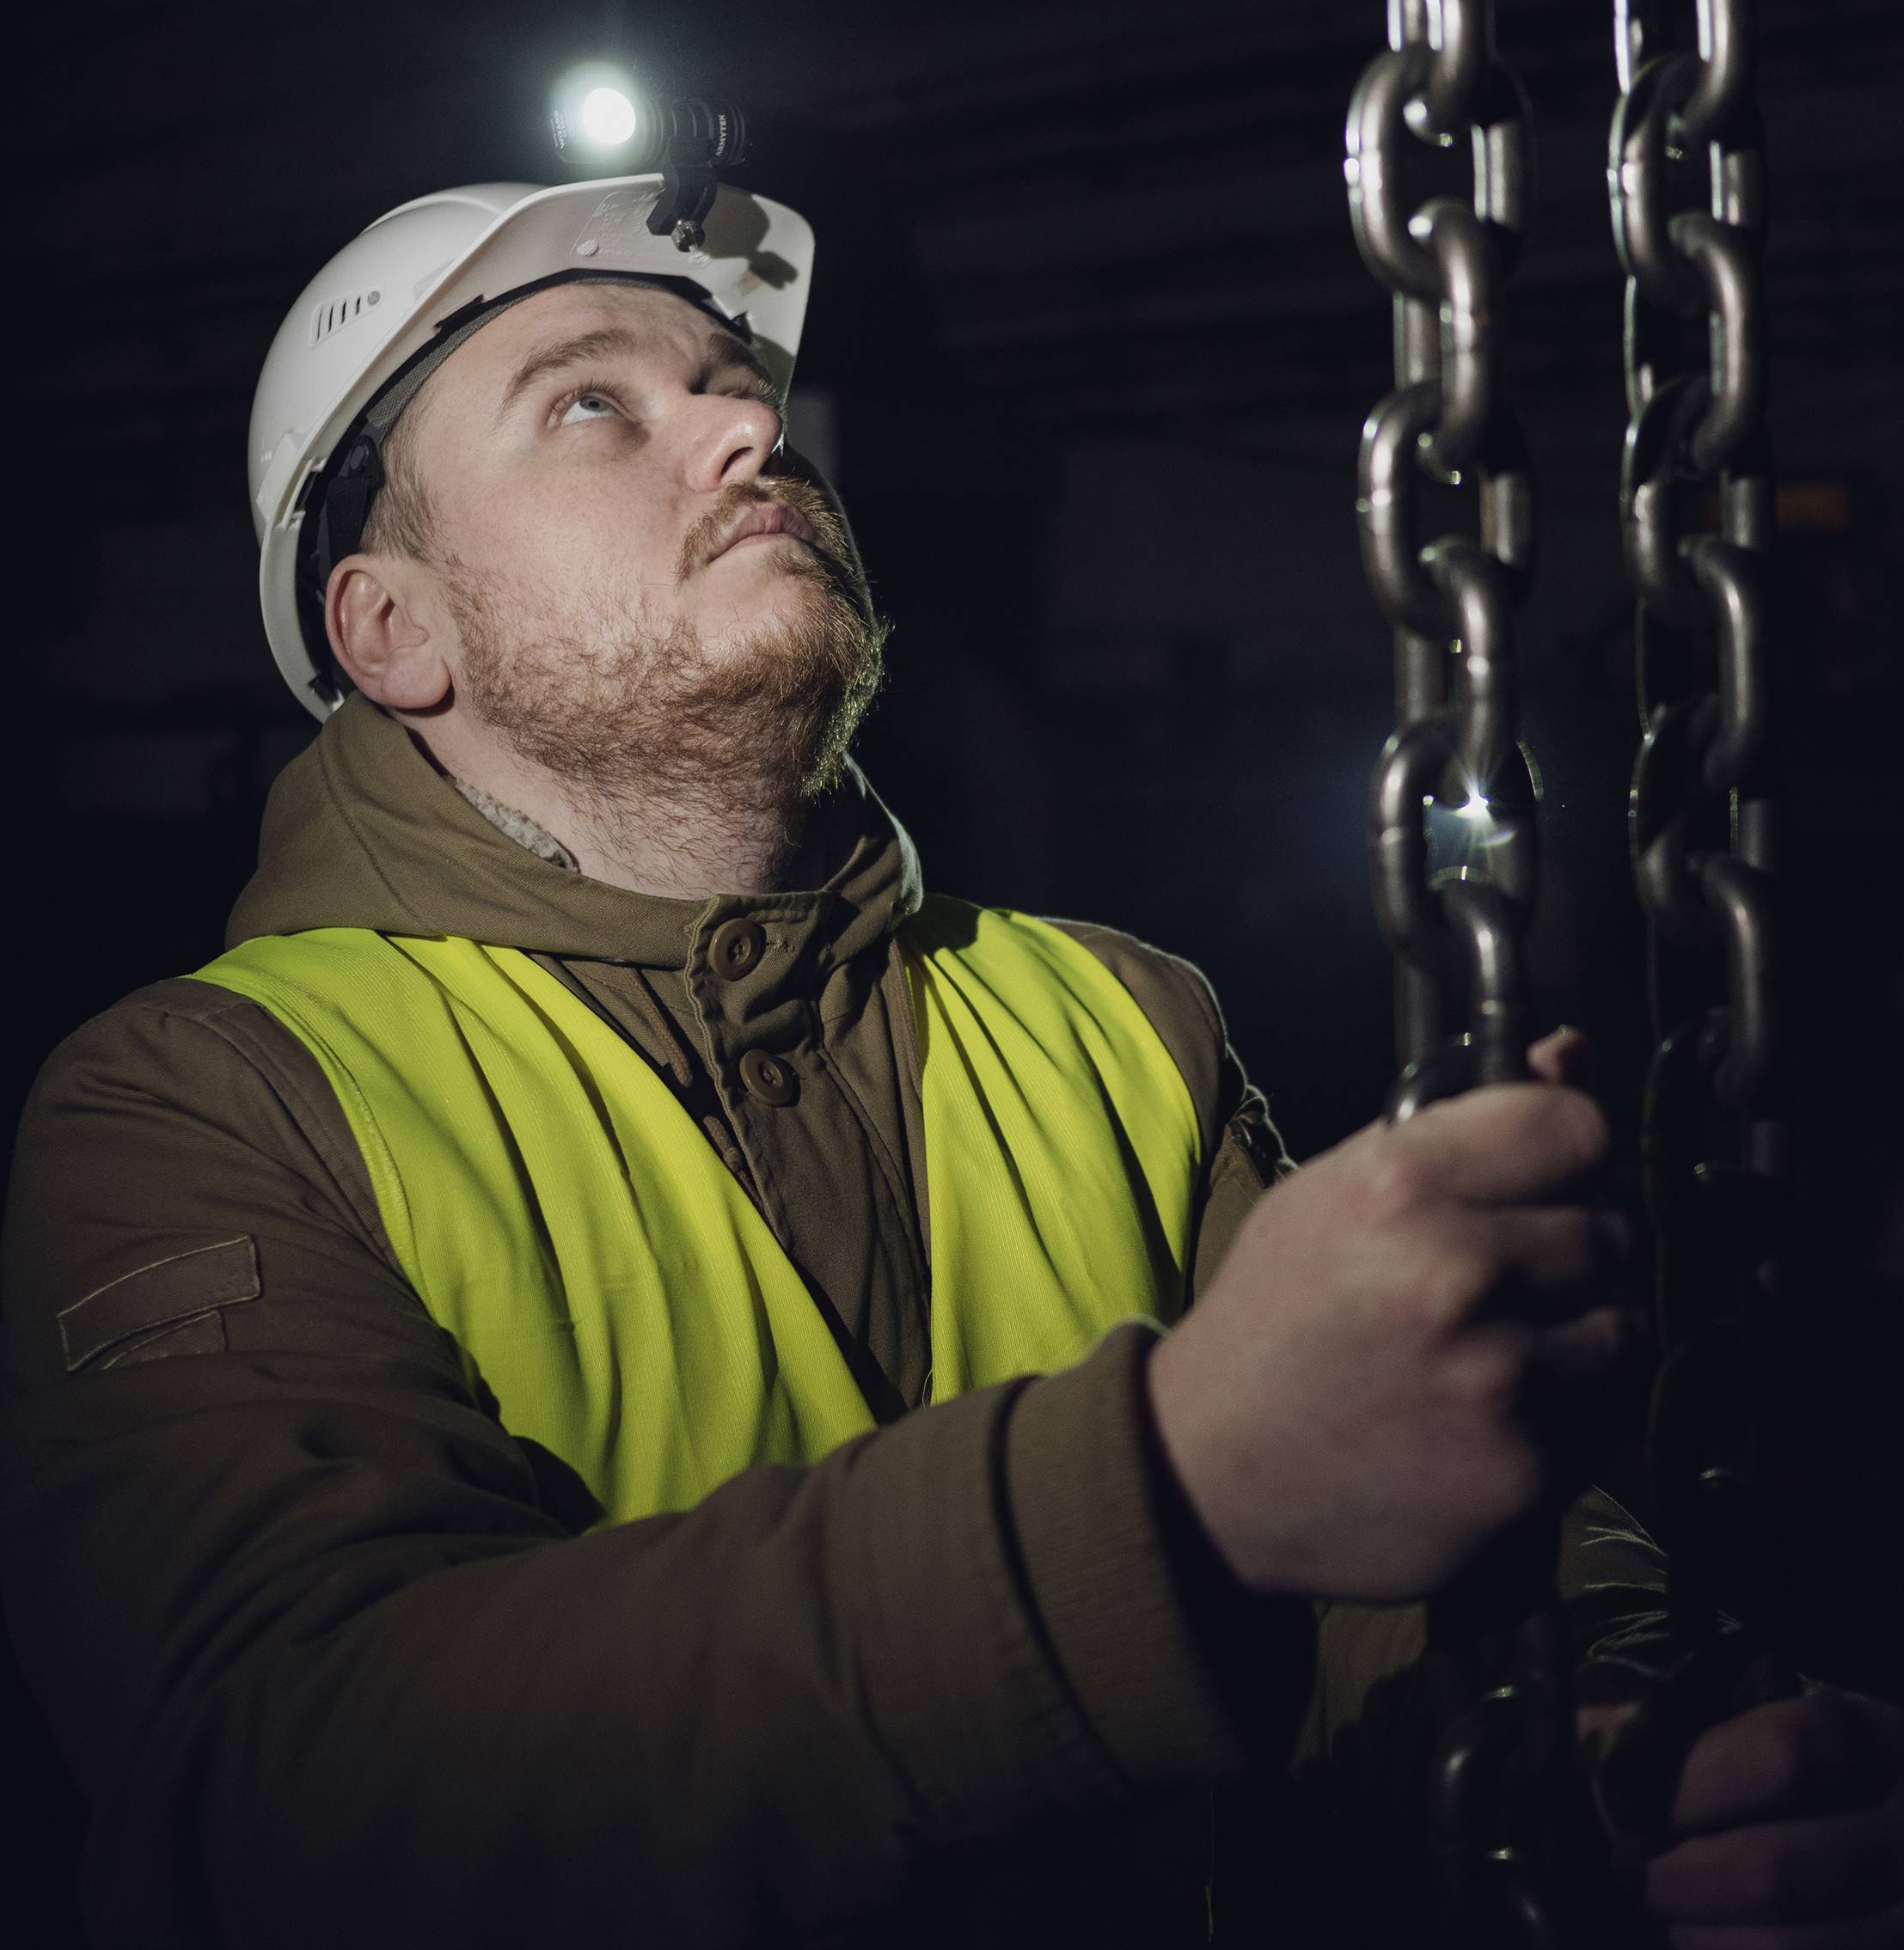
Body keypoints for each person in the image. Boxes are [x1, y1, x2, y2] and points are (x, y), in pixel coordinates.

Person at [3, 178, 1897, 1949]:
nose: (750, 433)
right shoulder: (203, 1101)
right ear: (391, 628)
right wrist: (1162, 1490)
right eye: (590, 408)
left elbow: (1373, 1538)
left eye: (738, 391)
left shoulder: (1103, 1014)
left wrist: (1616, 1722)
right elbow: (280, 1796)